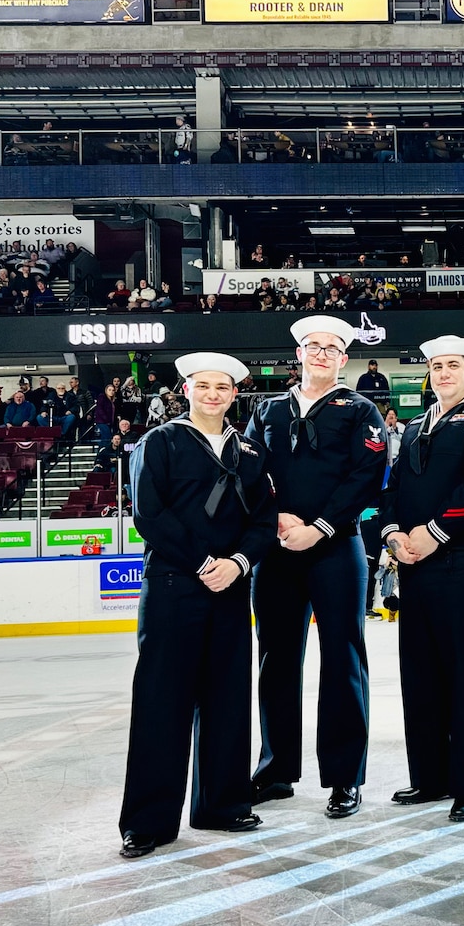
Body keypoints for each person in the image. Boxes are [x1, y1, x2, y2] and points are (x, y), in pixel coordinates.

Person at [117, 352, 278, 859]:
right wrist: (204, 561)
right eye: (202, 385)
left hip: (230, 588)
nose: (212, 394)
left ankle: (222, 805)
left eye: (222, 387)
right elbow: (149, 514)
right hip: (173, 586)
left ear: (235, 394)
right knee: (162, 702)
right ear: (185, 390)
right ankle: (148, 821)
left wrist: (238, 563)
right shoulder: (158, 443)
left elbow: (264, 520)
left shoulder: (250, 452)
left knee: (227, 698)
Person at [245, 316, 388, 818]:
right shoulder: (266, 409)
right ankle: (275, 770)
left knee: (343, 660)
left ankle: (345, 777)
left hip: (335, 549)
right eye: (313, 346)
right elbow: (247, 468)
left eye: (332, 348)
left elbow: (367, 476)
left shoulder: (360, 410)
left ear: (344, 359)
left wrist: (321, 526)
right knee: (276, 660)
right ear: (299, 354)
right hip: (278, 549)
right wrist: (275, 515)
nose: (322, 354)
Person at [380, 335, 464, 822]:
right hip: (416, 566)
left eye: (453, 365)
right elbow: (392, 488)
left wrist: (435, 532)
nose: (443, 373)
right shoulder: (415, 426)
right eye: (436, 366)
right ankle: (430, 778)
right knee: (422, 676)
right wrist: (395, 536)